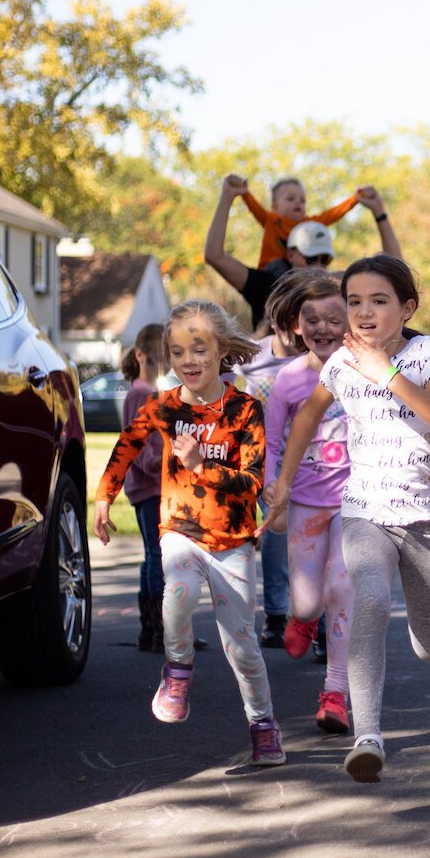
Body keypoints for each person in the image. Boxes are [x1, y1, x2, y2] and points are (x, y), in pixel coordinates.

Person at [263, 255, 430, 783]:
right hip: (364, 511)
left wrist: (391, 376)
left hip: (425, 518)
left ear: (407, 308)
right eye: (354, 301)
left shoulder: (427, 354)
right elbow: (309, 413)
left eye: (377, 301)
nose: (362, 313)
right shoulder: (341, 362)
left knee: (426, 641)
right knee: (371, 602)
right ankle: (368, 737)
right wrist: (285, 482)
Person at [93, 300, 286, 767]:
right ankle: (177, 670)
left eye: (198, 349)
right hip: (179, 530)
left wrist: (202, 465)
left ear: (221, 350)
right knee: (175, 593)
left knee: (242, 646)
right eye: (177, 352)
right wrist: (103, 498)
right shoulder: (165, 406)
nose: (188, 361)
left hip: (233, 542)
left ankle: (263, 726)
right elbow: (126, 446)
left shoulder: (245, 411)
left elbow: (252, 483)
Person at [264, 271, 355, 733]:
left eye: (334, 318)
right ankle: (303, 618)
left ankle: (335, 691)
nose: (323, 327)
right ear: (296, 325)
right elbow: (275, 442)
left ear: (351, 321)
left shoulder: (364, 370)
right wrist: (272, 488)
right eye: (312, 319)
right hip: (304, 503)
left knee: (341, 586)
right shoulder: (289, 381)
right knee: (304, 601)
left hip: (355, 501)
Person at [205, 174, 403, 329]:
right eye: (309, 258)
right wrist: (227, 196)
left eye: (324, 259)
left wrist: (379, 211)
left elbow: (394, 272)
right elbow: (214, 255)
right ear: (290, 254)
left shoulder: (337, 286)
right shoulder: (269, 285)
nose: (317, 266)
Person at [235, 272, 314, 648]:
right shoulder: (253, 355)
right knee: (274, 536)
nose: (290, 333)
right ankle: (276, 612)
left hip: (311, 462)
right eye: (284, 324)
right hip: (263, 462)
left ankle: (319, 623)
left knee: (315, 542)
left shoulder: (315, 360)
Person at [118, 323, 167, 652]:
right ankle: (159, 626)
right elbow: (136, 442)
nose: (164, 366)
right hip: (148, 487)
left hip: (159, 486)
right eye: (159, 359)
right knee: (157, 555)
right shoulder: (140, 394)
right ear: (141, 356)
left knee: (157, 554)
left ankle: (155, 627)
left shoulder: (154, 392)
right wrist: (158, 461)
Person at [240, 177, 362, 273]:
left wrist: (354, 199)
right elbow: (255, 208)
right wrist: (244, 193)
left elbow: (332, 214)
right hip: (272, 267)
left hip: (295, 267)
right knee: (282, 268)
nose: (298, 202)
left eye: (302, 200)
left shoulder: (308, 225)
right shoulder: (271, 219)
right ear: (275, 207)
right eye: (290, 199)